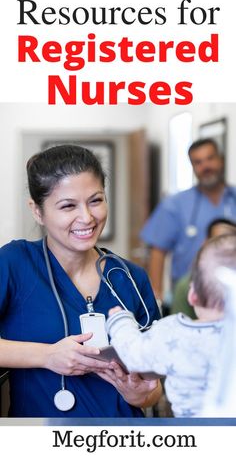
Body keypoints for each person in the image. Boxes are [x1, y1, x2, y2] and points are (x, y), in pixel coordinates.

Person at [0, 144, 162, 418]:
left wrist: (140, 394)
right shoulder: (14, 264)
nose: (87, 217)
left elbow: (154, 386)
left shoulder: (130, 277)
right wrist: (47, 356)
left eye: (96, 200)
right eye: (68, 206)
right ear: (37, 211)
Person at [107, 233, 236, 418]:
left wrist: (120, 322)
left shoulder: (174, 333)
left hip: (195, 436)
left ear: (192, 295)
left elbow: (133, 354)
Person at [140, 138, 236, 301]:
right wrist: (157, 298)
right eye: (198, 162)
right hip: (190, 293)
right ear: (192, 167)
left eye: (210, 158)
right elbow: (158, 251)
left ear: (221, 159)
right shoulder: (175, 205)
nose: (205, 166)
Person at [171, 217, 236, 319]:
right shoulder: (186, 286)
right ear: (204, 244)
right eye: (216, 242)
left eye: (228, 243)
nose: (222, 249)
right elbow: (180, 330)